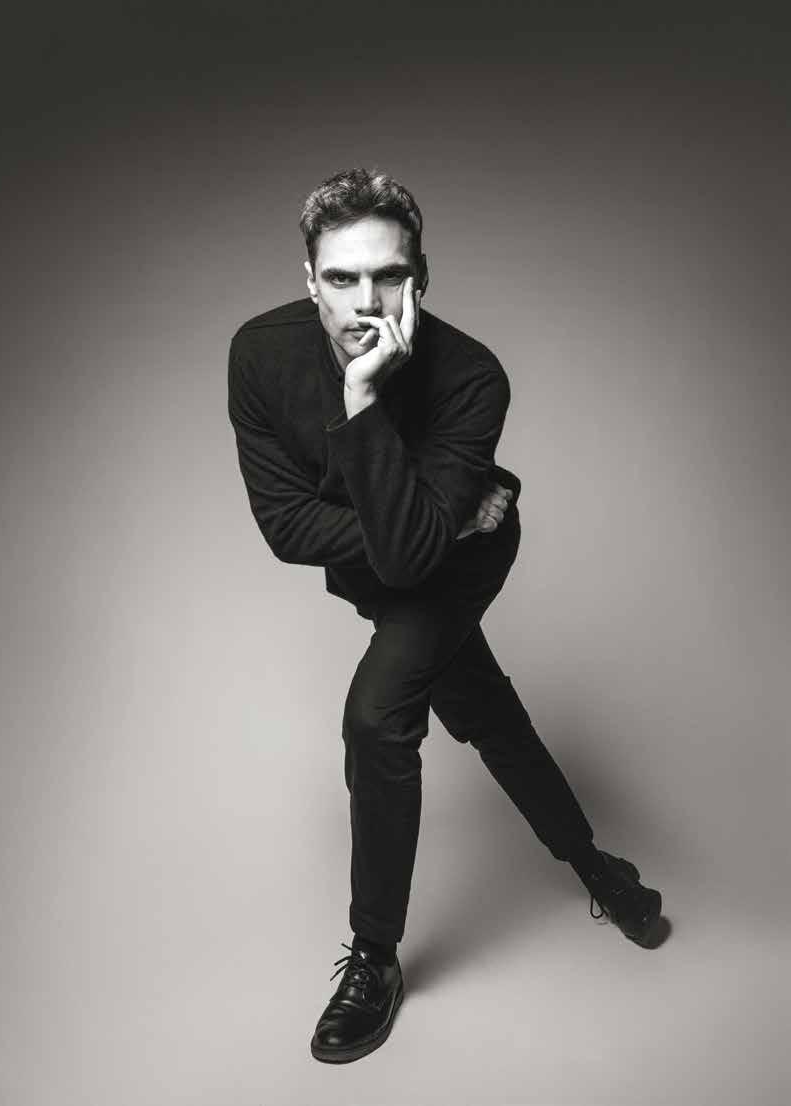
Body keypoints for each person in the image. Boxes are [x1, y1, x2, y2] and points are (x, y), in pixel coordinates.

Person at [227, 167, 663, 1064]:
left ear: (419, 276)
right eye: (341, 278)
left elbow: (414, 560)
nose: (366, 302)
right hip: (409, 556)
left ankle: (374, 959)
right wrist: (434, 517)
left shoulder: (470, 377)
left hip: (463, 566)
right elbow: (285, 528)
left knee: (377, 718)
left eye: (387, 275)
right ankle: (599, 869)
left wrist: (363, 401)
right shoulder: (259, 355)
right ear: (309, 280)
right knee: (486, 714)